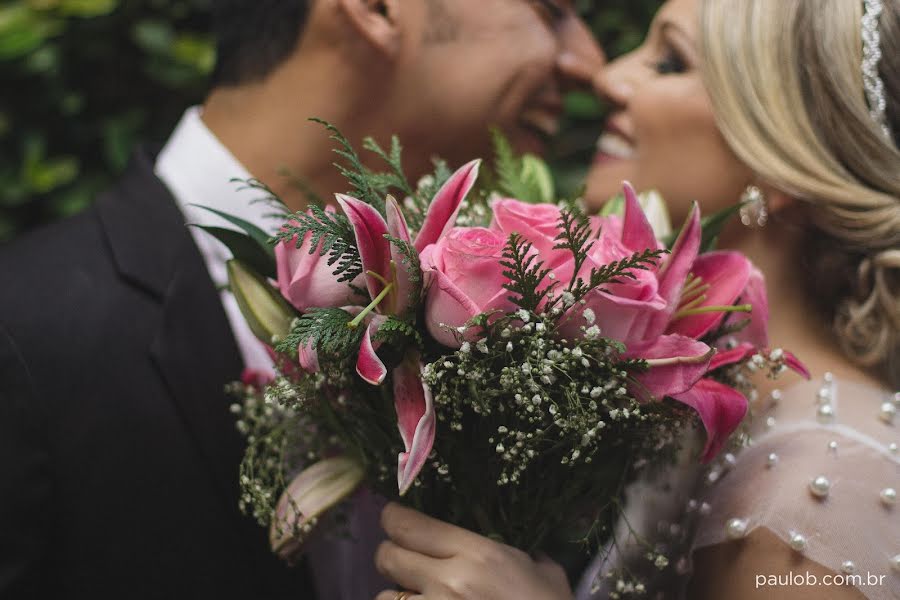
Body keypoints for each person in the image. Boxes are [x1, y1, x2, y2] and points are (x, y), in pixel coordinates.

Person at [0, 1, 603, 598]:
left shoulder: (497, 335)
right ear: (376, 9)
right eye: (551, 11)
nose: (592, 64)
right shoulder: (25, 329)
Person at [374, 0, 899, 598]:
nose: (609, 77)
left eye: (671, 62)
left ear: (787, 154)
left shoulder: (812, 504)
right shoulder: (693, 426)